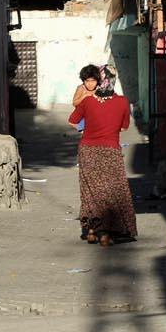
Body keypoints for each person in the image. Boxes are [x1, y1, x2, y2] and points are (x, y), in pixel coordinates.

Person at [68, 64, 136, 246]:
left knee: (90, 190)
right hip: (110, 151)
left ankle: (91, 230)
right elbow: (124, 127)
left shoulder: (87, 102)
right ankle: (106, 233)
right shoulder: (123, 102)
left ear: (99, 83)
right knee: (112, 190)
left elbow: (72, 122)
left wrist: (87, 128)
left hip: (88, 151)